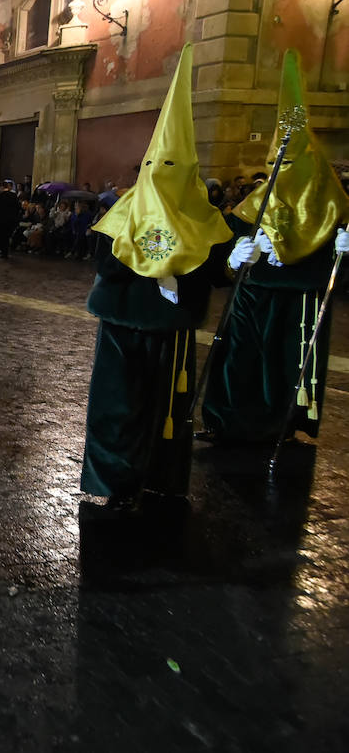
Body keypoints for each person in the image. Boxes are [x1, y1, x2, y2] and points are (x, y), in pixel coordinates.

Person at [81, 44, 232, 513]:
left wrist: (230, 261)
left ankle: (162, 479)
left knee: (169, 408)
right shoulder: (122, 212)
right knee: (118, 405)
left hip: (173, 330)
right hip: (124, 325)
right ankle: (112, 478)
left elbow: (214, 267)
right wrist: (153, 270)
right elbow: (106, 265)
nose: (160, 177)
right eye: (154, 167)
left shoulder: (203, 215)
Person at [202, 50, 349, 445]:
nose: (276, 172)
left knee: (286, 365)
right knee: (239, 358)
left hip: (300, 299)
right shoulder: (255, 203)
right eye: (273, 163)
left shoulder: (333, 207)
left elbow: (341, 275)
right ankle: (226, 419)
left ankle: (281, 425)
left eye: (286, 163)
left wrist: (343, 251)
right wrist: (234, 255)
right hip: (254, 295)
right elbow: (222, 252)